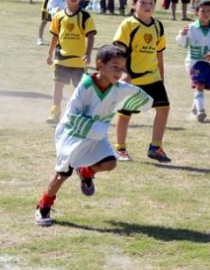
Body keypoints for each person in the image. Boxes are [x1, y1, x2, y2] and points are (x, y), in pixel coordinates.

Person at [34, 45, 154, 227]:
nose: (119, 72)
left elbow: (137, 96)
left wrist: (146, 101)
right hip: (73, 135)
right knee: (62, 175)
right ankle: (43, 206)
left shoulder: (118, 88)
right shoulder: (86, 87)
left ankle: (86, 171)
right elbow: (72, 116)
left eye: (122, 68)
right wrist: (95, 127)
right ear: (100, 64)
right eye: (115, 66)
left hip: (96, 135)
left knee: (110, 163)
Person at [112, 0, 172, 162]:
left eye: (151, 3)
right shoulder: (128, 24)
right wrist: (123, 73)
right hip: (132, 78)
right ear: (133, 5)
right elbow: (119, 51)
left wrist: (161, 76)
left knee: (163, 108)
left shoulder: (158, 26)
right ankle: (120, 148)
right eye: (143, 2)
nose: (147, 6)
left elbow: (159, 53)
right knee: (125, 113)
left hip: (152, 77)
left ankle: (155, 147)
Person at [46, 0, 97, 124]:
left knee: (80, 90)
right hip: (61, 58)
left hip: (78, 61)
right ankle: (55, 112)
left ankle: (79, 113)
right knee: (58, 85)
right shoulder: (58, 16)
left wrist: (88, 54)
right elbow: (55, 36)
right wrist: (49, 53)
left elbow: (91, 36)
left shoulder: (85, 17)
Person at [176, 0, 210, 122]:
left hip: (207, 63)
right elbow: (183, 44)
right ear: (197, 12)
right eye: (203, 11)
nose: (206, 13)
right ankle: (201, 110)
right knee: (199, 84)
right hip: (194, 62)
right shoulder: (191, 28)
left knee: (200, 86)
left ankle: (194, 109)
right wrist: (182, 35)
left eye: (209, 11)